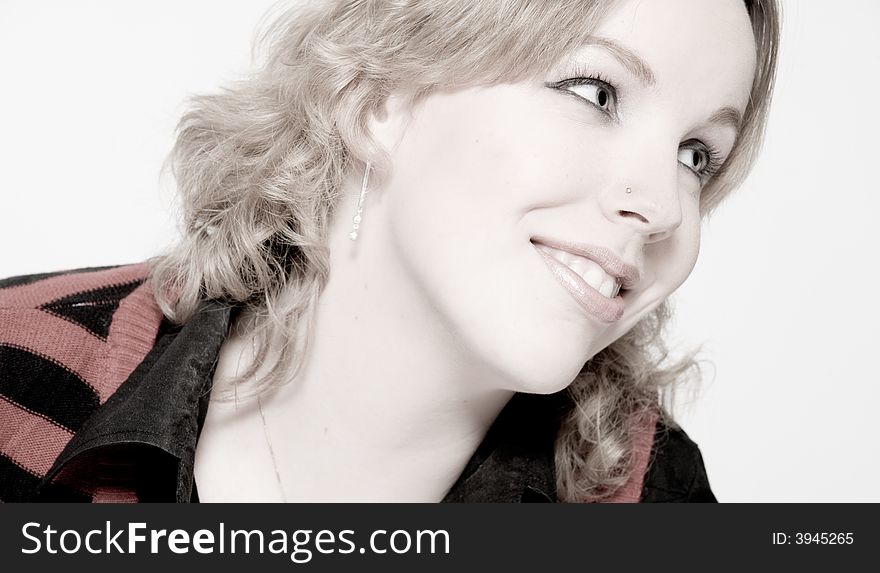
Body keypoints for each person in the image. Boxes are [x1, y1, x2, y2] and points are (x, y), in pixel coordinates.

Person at [0, 0, 779, 503]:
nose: (662, 207)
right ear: (379, 98)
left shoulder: (654, 496)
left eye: (696, 155)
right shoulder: (19, 370)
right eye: (595, 93)